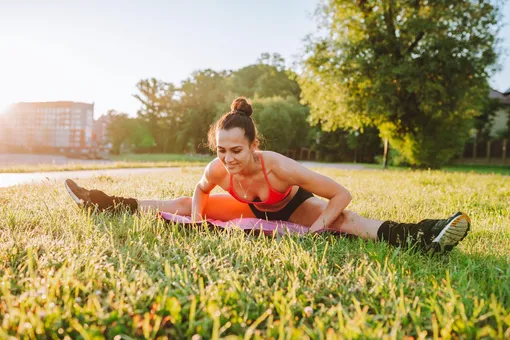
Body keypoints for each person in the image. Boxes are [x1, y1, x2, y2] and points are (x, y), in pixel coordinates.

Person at [65, 97, 471, 253]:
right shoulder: (218, 168)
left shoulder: (278, 165)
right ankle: (103, 203)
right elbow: (199, 188)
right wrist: (199, 218)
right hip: (253, 209)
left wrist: (318, 229)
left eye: (236, 151)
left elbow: (341, 194)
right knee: (175, 204)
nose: (229, 159)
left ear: (254, 145)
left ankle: (421, 234)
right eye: (221, 151)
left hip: (290, 207)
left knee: (346, 221)